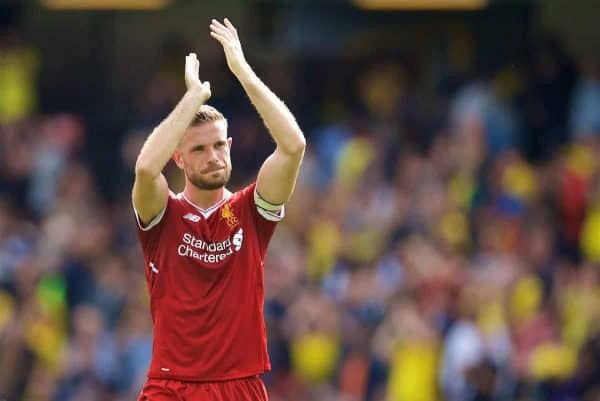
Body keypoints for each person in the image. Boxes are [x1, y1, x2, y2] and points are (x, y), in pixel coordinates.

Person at [132, 18, 305, 401]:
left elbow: (293, 146)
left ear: (229, 145)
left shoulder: (249, 212)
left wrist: (242, 71)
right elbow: (145, 168)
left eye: (218, 146)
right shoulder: (163, 214)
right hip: (170, 387)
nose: (212, 157)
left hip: (239, 385)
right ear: (178, 159)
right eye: (198, 149)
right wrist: (192, 98)